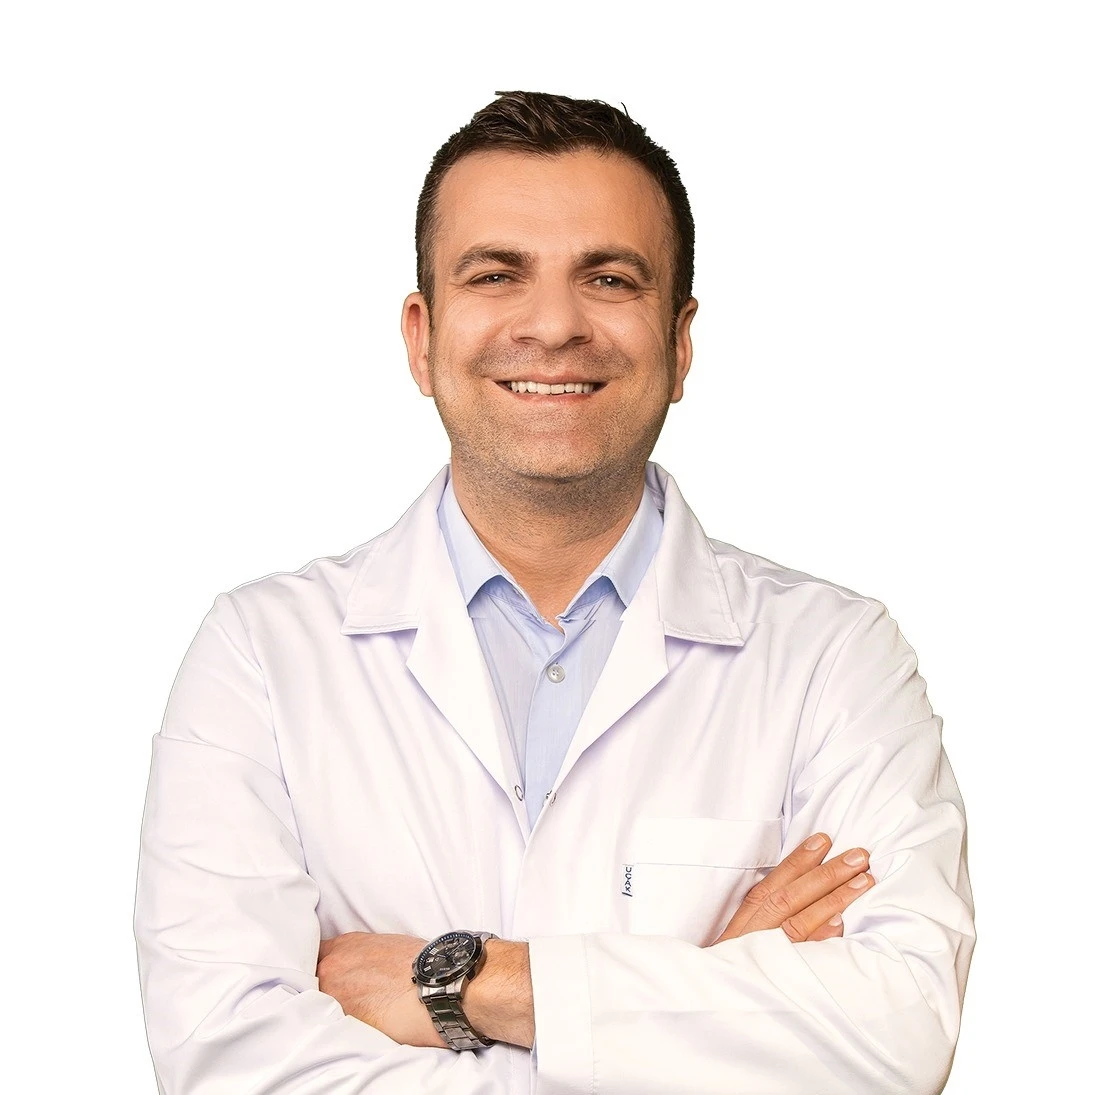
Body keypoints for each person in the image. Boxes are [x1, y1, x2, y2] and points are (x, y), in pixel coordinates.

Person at [134, 91, 974, 1094]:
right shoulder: (262, 654)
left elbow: (898, 1034)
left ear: (679, 341)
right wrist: (702, 998)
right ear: (420, 337)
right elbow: (230, 1063)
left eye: (609, 279)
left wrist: (467, 983)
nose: (554, 325)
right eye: (496, 275)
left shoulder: (835, 654)